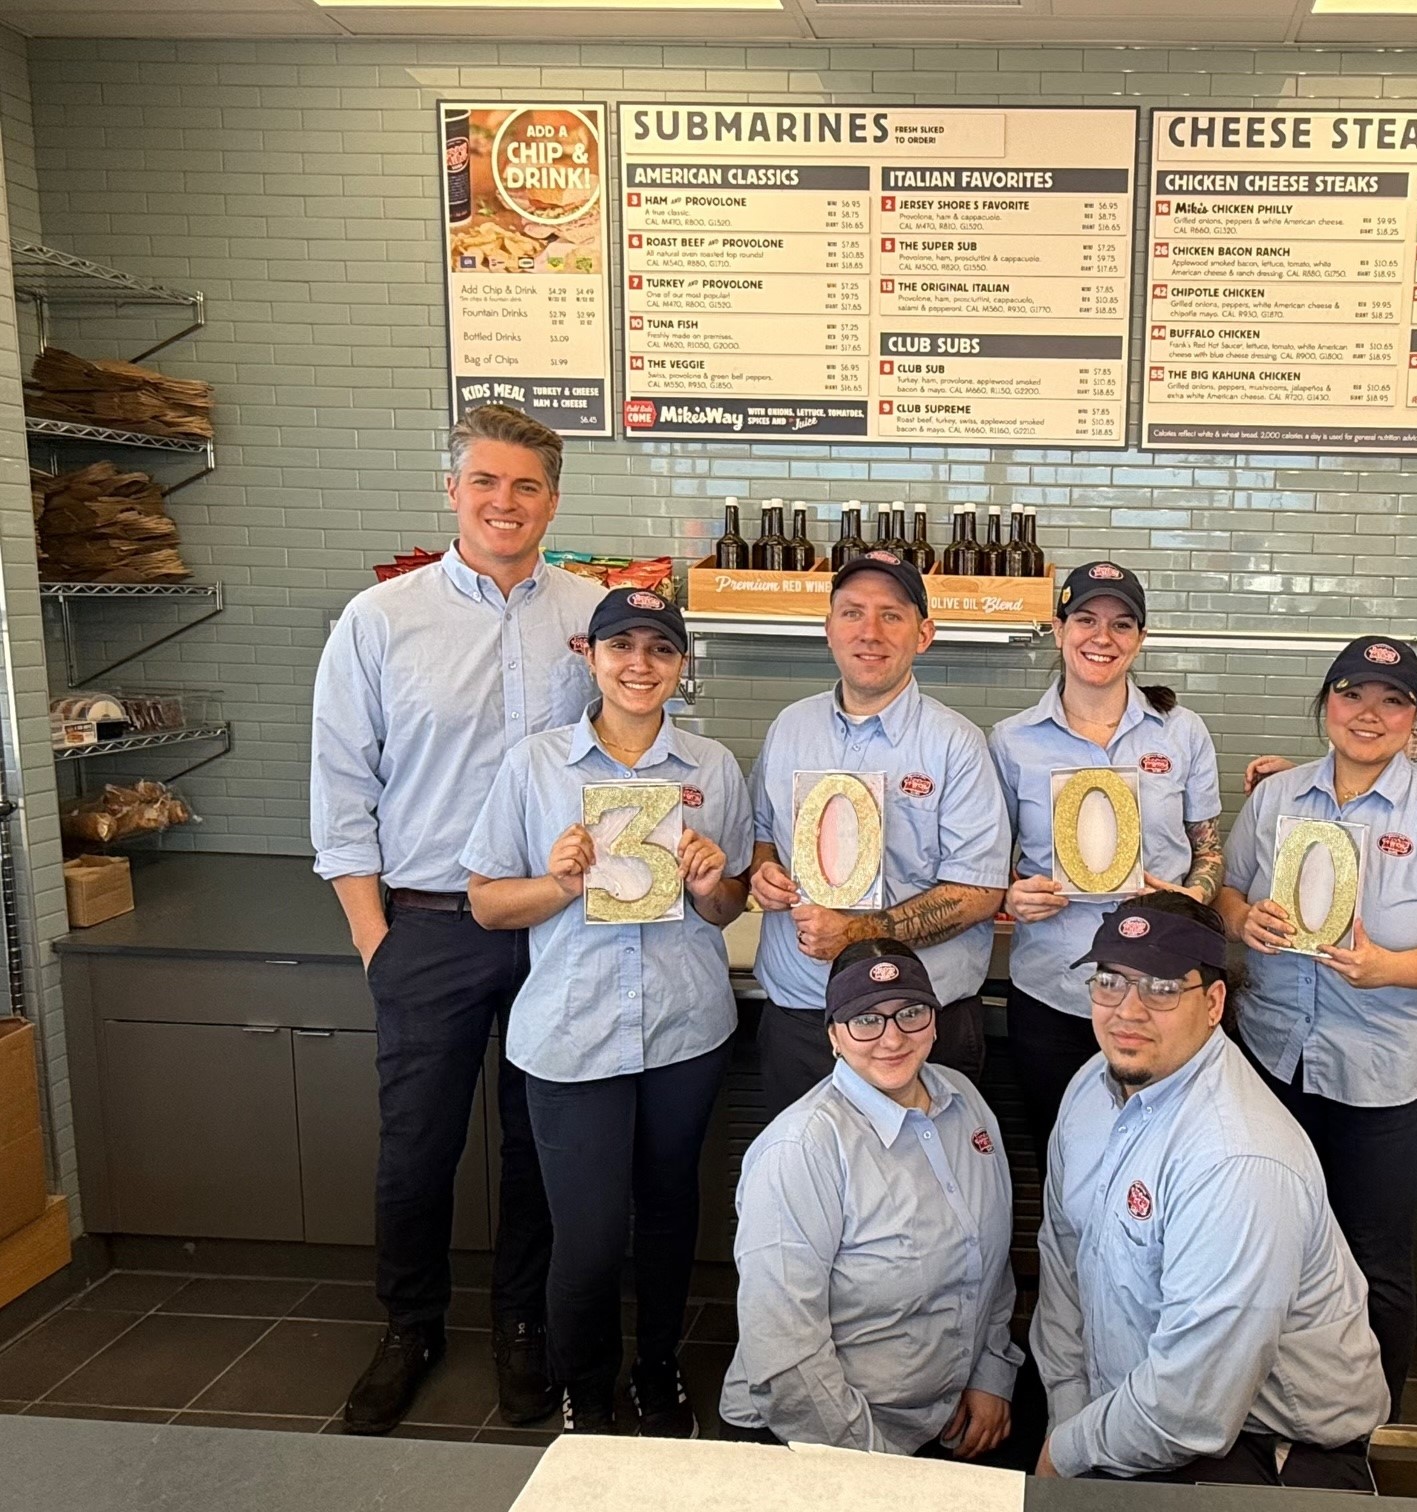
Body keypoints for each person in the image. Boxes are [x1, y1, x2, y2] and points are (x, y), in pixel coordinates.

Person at [311, 404, 604, 1433]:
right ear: (454, 490)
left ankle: (523, 1328)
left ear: (553, 500)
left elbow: (640, 743)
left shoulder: (594, 611)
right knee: (416, 1148)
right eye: (486, 481)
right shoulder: (381, 620)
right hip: (429, 927)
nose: (505, 503)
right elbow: (341, 791)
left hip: (558, 927)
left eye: (526, 486)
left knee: (541, 1145)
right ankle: (411, 1327)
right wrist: (373, 937)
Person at [461, 589, 750, 1436]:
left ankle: (657, 1373)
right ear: (590, 655)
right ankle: (585, 1392)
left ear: (680, 667)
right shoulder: (536, 766)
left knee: (666, 1223)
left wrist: (710, 882)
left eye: (660, 649)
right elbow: (485, 903)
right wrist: (558, 882)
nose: (639, 664)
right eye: (622, 645)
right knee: (585, 1239)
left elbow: (727, 909)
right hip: (571, 1036)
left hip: (684, 1032)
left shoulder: (713, 770)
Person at [1213, 636, 1417, 1417]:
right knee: (1268, 1242)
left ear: (1414, 719)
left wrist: (1387, 968)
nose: (1369, 714)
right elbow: (1226, 896)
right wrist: (1249, 924)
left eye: (1392, 701)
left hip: (1387, 1071)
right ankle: (1264, 1410)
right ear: (1326, 705)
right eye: (1352, 695)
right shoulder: (1278, 799)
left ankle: (1366, 1430)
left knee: (1373, 1257)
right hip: (1274, 1057)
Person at [1031, 892, 1389, 1485]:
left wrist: (1064, 1454)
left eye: (1163, 988)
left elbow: (1189, 1408)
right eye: (1110, 982)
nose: (1128, 1010)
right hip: (1125, 1419)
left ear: (1214, 1002)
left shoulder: (1236, 1157)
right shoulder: (1090, 1087)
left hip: (1267, 1451)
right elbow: (1064, 1259)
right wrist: (1068, 1413)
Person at [720, 939, 1021, 1457]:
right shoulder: (800, 1151)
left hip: (942, 1419)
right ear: (834, 1035)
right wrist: (877, 1472)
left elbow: (988, 1253)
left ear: (934, 1020)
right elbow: (788, 1362)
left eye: (910, 1012)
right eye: (866, 1019)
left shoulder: (964, 1101)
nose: (892, 1038)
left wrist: (992, 1372)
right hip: (818, 1438)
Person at [747, 550, 1011, 1120]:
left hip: (916, 1022)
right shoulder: (790, 728)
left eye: (891, 615)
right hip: (804, 1017)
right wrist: (763, 870)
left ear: (924, 634)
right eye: (852, 613)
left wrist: (857, 931)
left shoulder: (956, 745)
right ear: (829, 628)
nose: (870, 632)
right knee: (803, 1190)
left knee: (930, 1193)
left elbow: (979, 890)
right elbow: (764, 832)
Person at [989, 560, 1224, 1150]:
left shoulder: (1182, 732)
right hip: (1055, 991)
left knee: (1163, 1160)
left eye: (1122, 624)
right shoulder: (1011, 740)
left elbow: (1209, 849)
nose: (1103, 636)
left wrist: (1195, 895)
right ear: (1057, 627)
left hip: (1163, 991)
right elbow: (988, 866)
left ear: (1140, 639)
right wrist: (1013, 897)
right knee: (1064, 1158)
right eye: (1086, 619)